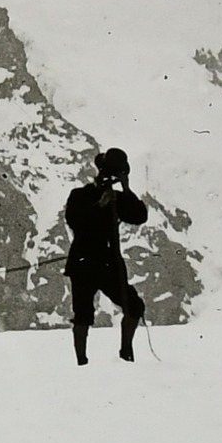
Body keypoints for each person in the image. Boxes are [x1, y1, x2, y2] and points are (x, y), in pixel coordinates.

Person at [64, 148, 150, 365]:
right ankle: (81, 362)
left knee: (134, 306)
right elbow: (75, 221)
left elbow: (140, 216)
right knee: (83, 315)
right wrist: (99, 205)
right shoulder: (79, 196)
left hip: (105, 263)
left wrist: (126, 189)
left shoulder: (117, 199)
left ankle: (125, 353)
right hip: (86, 262)